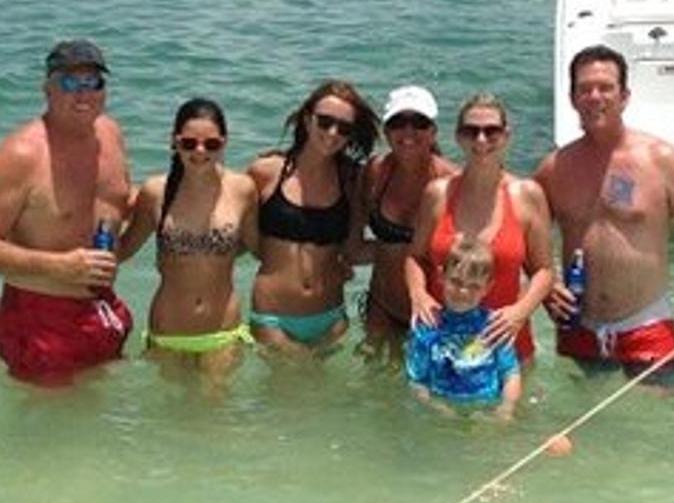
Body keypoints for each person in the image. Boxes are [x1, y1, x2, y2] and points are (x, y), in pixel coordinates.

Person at [534, 45, 674, 386]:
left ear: (624, 96)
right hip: (578, 325)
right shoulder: (554, 168)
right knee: (581, 426)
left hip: (646, 324)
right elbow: (525, 234)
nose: (595, 96)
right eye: (584, 89)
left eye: (605, 87)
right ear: (572, 97)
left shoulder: (662, 160)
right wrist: (547, 288)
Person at [0, 39, 133, 386]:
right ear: (47, 89)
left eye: (93, 82)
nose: (83, 94)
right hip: (40, 319)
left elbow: (116, 205)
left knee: (98, 427)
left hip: (102, 308)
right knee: (46, 436)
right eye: (70, 83)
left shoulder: (110, 134)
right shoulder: (22, 154)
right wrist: (59, 266)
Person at [115, 98, 260, 389]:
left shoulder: (242, 189)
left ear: (225, 142)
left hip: (222, 332)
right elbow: (124, 250)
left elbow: (259, 249)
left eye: (212, 144)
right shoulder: (155, 192)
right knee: (167, 426)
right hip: (168, 331)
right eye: (189, 143)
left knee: (214, 424)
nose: (200, 152)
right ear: (174, 142)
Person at [405, 93, 553, 369]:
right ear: (459, 137)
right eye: (471, 131)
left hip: (506, 343)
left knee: (509, 412)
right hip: (442, 345)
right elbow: (415, 257)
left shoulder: (526, 195)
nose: (481, 140)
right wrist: (418, 294)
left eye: (491, 131)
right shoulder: (438, 193)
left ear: (506, 135)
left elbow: (544, 271)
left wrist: (519, 312)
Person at [245, 80, 379, 356]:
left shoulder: (352, 179)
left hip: (331, 318)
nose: (332, 132)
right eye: (325, 121)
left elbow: (353, 250)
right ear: (307, 120)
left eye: (344, 128)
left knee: (326, 399)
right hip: (273, 318)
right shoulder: (266, 172)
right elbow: (233, 229)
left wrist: (413, 245)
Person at [357, 84, 455, 361]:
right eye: (398, 123)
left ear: (433, 131)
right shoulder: (375, 172)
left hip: (436, 315)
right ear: (386, 131)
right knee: (372, 394)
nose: (408, 132)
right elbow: (352, 242)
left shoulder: (452, 183)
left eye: (419, 123)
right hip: (381, 308)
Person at [406, 234, 522, 418]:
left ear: (487, 288)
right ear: (441, 276)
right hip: (441, 412)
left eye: (474, 286)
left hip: (486, 411)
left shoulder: (495, 325)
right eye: (456, 281)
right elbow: (416, 380)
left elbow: (510, 374)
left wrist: (506, 410)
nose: (463, 291)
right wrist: (436, 407)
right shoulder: (428, 325)